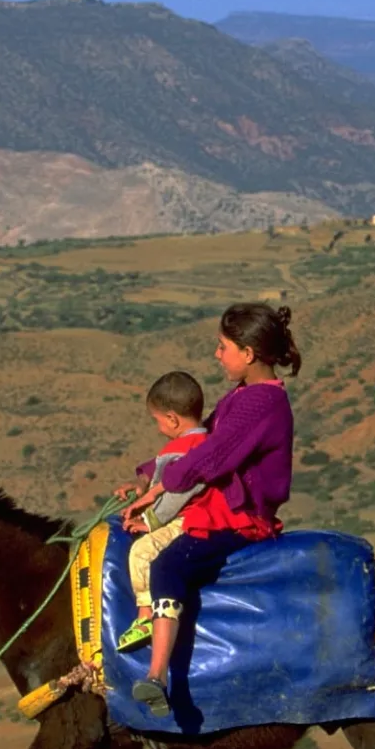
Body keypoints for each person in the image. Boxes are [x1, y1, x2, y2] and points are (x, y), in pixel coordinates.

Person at [127, 303, 301, 714]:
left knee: (167, 565)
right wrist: (147, 475)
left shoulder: (261, 404)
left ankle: (157, 675)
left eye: (223, 347)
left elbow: (212, 458)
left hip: (241, 517)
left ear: (249, 353)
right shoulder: (244, 396)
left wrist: (161, 487)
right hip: (220, 505)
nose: (217, 355)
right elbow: (197, 442)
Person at [111, 371, 215, 653]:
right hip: (189, 516)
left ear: (172, 419)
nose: (158, 429)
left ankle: (145, 618)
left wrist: (149, 522)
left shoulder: (181, 450)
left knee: (142, 552)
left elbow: (178, 493)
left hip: (186, 520)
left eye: (157, 421)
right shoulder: (205, 442)